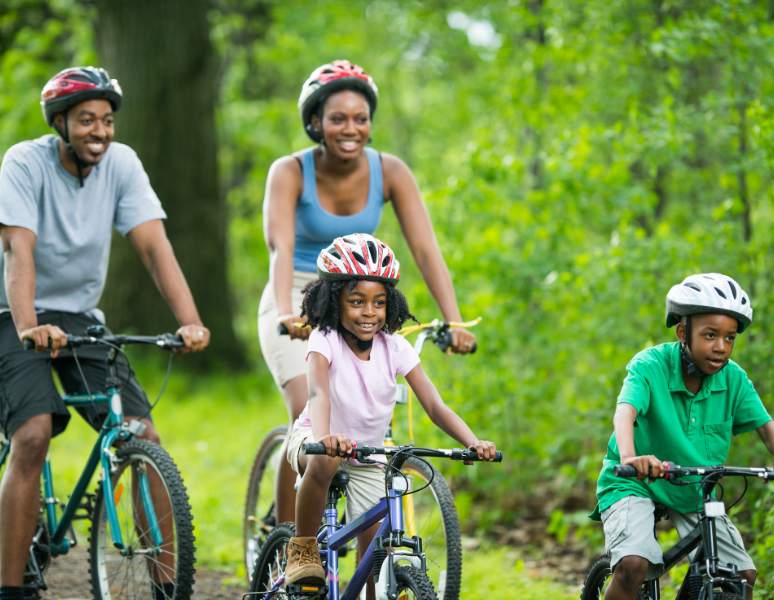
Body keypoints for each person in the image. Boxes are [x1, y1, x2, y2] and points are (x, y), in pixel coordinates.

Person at [0, 66, 210, 600]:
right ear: (61, 123)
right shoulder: (24, 163)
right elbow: (17, 249)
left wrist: (190, 320)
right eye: (87, 119)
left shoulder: (122, 165)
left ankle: (168, 585)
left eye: (107, 120)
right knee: (33, 435)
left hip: (79, 318)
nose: (99, 130)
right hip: (11, 315)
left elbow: (153, 247)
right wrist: (28, 326)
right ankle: (10, 589)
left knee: (143, 435)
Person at [258, 59, 476, 522]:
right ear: (315, 121)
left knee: (366, 425)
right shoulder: (290, 171)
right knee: (308, 410)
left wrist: (453, 319)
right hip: (300, 292)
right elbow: (281, 247)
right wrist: (285, 312)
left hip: (359, 293)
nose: (350, 128)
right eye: (338, 118)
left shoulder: (391, 170)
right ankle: (286, 540)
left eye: (361, 118)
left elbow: (424, 248)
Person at [280, 233, 495, 595]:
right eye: (357, 301)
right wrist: (324, 437)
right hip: (313, 440)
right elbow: (317, 392)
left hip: (366, 456)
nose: (369, 312)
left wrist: (472, 442)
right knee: (325, 463)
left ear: (390, 304)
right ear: (335, 301)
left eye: (379, 303)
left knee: (373, 556)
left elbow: (434, 405)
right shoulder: (325, 339)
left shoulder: (395, 347)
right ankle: (303, 548)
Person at [591, 272, 774, 600]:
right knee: (633, 564)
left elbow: (766, 425)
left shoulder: (733, 379)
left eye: (729, 338)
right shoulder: (650, 365)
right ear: (682, 332)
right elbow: (625, 412)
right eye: (710, 335)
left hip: (694, 487)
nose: (721, 347)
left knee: (740, 575)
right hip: (635, 479)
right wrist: (631, 459)